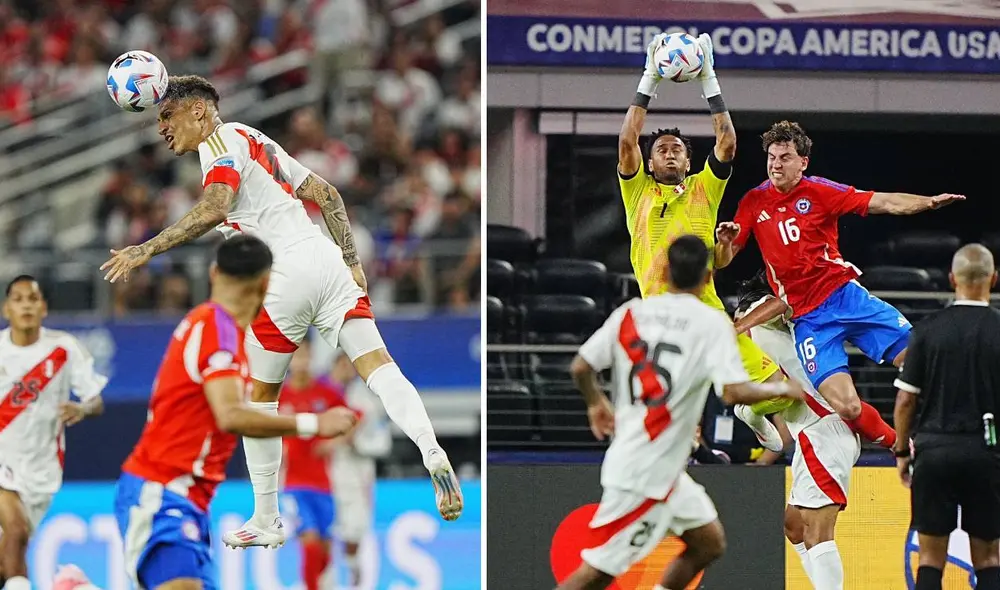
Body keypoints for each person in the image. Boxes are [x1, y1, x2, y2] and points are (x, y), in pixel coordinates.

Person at [99, 75, 463, 549]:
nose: (161, 128)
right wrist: (352, 262)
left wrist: (145, 248)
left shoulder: (220, 143)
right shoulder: (255, 137)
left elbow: (215, 208)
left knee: (259, 399)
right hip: (325, 259)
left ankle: (267, 517)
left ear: (198, 110)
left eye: (167, 115)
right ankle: (430, 448)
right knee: (380, 367)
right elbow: (327, 194)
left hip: (282, 275)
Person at [556, 235, 804, 590]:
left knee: (708, 543)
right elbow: (733, 392)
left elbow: (581, 367)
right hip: (645, 473)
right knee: (598, 572)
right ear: (708, 277)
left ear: (665, 271)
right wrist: (783, 388)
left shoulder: (631, 314)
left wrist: (596, 402)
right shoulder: (710, 323)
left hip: (662, 469)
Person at [113, 235, 359, 590]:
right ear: (266, 284)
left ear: (214, 273)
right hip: (162, 490)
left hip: (189, 498)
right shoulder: (218, 330)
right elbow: (229, 415)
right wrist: (314, 423)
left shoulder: (212, 325)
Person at [716, 119, 965, 451]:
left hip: (845, 297)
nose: (776, 165)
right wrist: (724, 243)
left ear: (803, 162)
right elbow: (723, 261)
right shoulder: (753, 201)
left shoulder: (821, 191)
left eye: (785, 158)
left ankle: (955, 429)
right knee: (847, 407)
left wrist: (928, 202)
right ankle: (901, 445)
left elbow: (882, 202)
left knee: (920, 360)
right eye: (772, 158)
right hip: (807, 320)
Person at [618, 33, 790, 454]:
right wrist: (649, 78)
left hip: (709, 313)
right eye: (661, 150)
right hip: (660, 320)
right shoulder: (637, 191)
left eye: (677, 149)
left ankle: (750, 413)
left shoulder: (703, 188)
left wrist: (708, 78)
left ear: (688, 161)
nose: (669, 154)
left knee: (780, 390)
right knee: (664, 427)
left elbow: (727, 142)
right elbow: (626, 142)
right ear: (649, 161)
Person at [733, 273, 861, 590]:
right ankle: (751, 412)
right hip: (809, 432)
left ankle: (750, 412)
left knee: (818, 533)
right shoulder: (758, 341)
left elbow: (784, 303)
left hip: (823, 428)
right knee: (794, 527)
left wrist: (740, 324)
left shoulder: (763, 308)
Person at [893, 244, 1000, 590]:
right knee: (988, 559)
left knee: (929, 558)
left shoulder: (927, 330)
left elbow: (905, 401)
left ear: (952, 279)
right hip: (987, 453)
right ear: (993, 279)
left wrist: (902, 452)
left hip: (934, 452)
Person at [0, 276, 108, 590]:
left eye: (32, 299)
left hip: (41, 471)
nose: (26, 306)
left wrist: (82, 409)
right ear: (7, 309)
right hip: (3, 463)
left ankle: (68, 584)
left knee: (8, 558)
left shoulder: (63, 349)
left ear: (43, 308)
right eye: (18, 299)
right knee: (16, 532)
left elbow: (96, 401)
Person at [278, 342, 351, 590]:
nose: (301, 361)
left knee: (325, 548)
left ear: (311, 358)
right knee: (309, 542)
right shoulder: (279, 395)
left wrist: (334, 442)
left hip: (323, 484)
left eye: (305, 355)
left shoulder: (326, 392)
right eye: (296, 356)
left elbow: (353, 418)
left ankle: (314, 583)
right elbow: (259, 425)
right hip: (293, 484)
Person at [328, 351, 390, 588]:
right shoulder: (323, 395)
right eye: (341, 365)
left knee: (356, 523)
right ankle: (328, 574)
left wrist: (355, 441)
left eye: (349, 366)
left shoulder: (366, 400)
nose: (345, 370)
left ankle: (353, 567)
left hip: (357, 468)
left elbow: (381, 440)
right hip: (327, 467)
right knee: (327, 524)